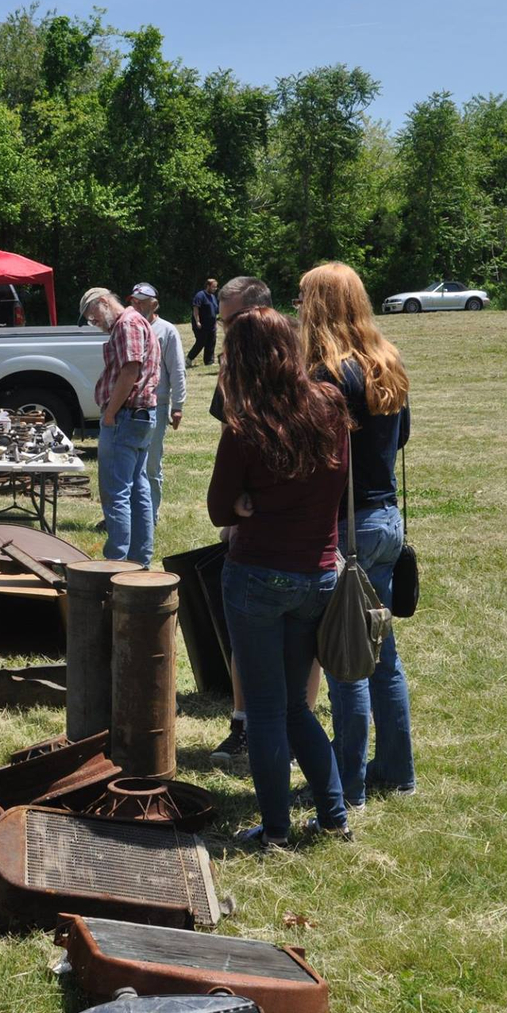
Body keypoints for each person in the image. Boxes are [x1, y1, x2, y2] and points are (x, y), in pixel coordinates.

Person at [206, 306, 354, 846]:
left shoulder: (245, 426)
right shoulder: (331, 406)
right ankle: (335, 818)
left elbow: (221, 508)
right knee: (296, 706)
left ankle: (274, 830)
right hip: (318, 575)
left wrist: (250, 505)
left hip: (258, 577)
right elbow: (334, 489)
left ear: (242, 362)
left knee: (266, 712)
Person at [298, 262, 415, 807]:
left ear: (317, 305)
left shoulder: (326, 373)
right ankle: (397, 769)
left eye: (303, 300)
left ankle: (348, 786)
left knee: (347, 661)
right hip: (387, 520)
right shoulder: (386, 361)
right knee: (382, 656)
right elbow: (402, 438)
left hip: (347, 528)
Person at [205, 275, 275, 769]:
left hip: (285, 528)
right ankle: (243, 725)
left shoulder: (287, 365)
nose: (223, 331)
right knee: (245, 639)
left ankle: (282, 730)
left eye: (230, 321)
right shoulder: (235, 367)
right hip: (249, 520)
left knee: (288, 646)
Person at [81, 287, 160, 566]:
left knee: (116, 493)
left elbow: (131, 369)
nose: (96, 323)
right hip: (139, 416)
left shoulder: (126, 323)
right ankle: (139, 563)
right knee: (138, 490)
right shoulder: (136, 321)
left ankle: (116, 563)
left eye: (93, 316)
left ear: (104, 302)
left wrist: (111, 413)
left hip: (125, 416)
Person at [129, 283, 186, 520]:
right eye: (134, 300)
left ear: (155, 303)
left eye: (142, 301)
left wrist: (178, 406)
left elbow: (177, 368)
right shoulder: (130, 327)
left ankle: (150, 515)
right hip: (131, 405)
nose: (137, 304)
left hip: (157, 404)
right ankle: (131, 513)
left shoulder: (166, 330)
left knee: (151, 464)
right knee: (130, 465)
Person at [188, 277, 220, 365]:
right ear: (208, 286)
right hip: (202, 325)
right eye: (213, 287)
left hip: (211, 325)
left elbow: (215, 310)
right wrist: (197, 321)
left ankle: (209, 361)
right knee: (201, 342)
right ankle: (189, 359)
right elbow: (196, 308)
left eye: (216, 287)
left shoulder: (213, 297)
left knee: (211, 342)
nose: (215, 289)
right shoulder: (200, 295)